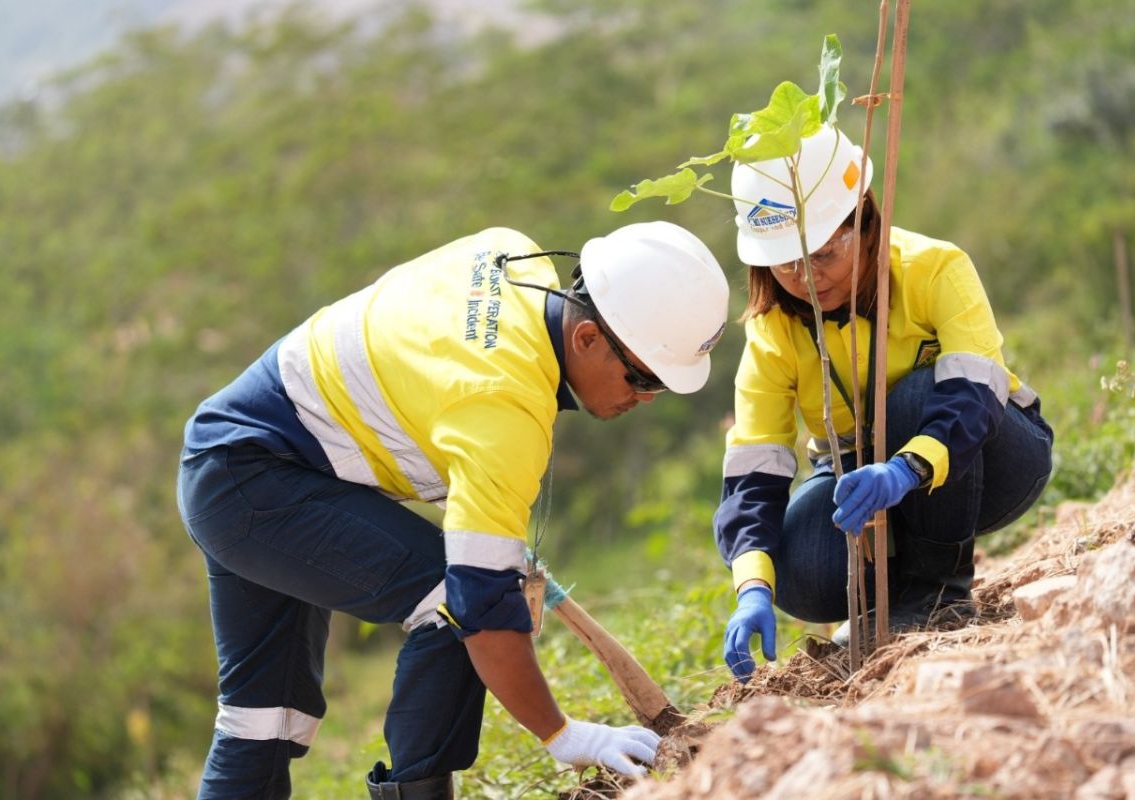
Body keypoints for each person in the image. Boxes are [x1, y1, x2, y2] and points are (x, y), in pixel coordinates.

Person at [176, 221, 730, 798]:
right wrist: (563, 734)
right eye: (641, 376)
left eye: (659, 385)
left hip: (231, 459)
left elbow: (430, 377)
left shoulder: (510, 254)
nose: (643, 398)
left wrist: (483, 518)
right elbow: (481, 609)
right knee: (451, 606)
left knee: (266, 720)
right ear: (587, 337)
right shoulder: (503, 408)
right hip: (257, 481)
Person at [714, 126, 1054, 682]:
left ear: (864, 222)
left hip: (993, 457)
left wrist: (906, 468)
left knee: (917, 396)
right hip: (861, 479)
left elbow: (974, 395)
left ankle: (938, 594)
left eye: (823, 254)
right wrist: (752, 586)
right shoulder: (772, 332)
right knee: (796, 570)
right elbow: (754, 474)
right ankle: (887, 600)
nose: (805, 277)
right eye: (785, 264)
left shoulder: (935, 268)